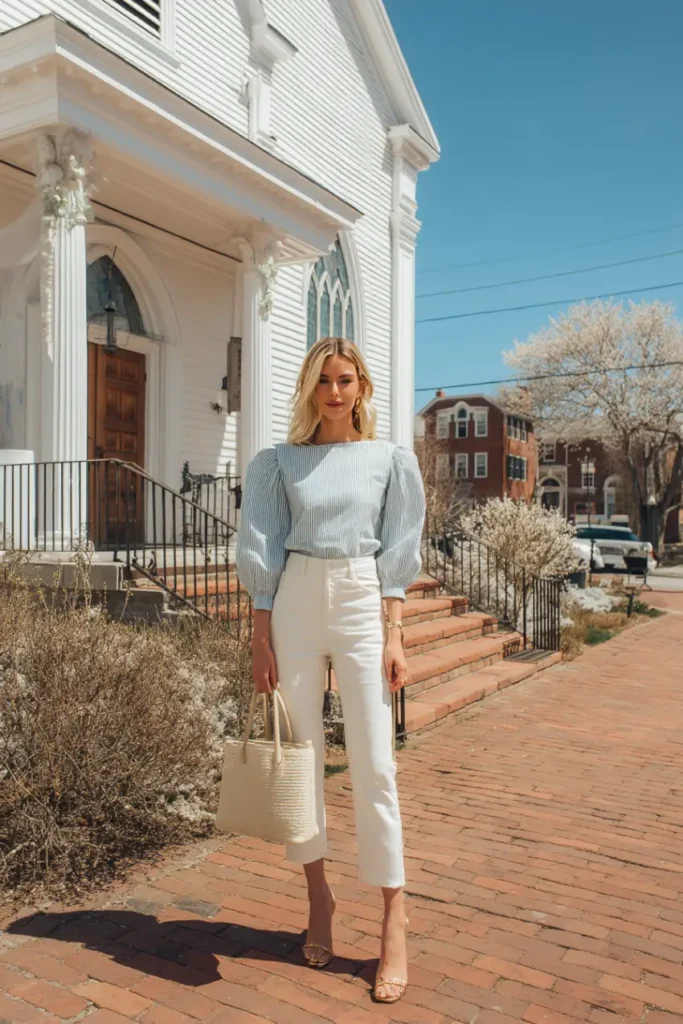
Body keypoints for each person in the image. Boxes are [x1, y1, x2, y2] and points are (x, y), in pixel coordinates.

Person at [235, 337, 425, 1004]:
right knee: (302, 760)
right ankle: (318, 897)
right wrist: (259, 639)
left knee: (374, 763)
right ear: (310, 389)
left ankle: (392, 917)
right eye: (324, 381)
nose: (335, 391)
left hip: (357, 594)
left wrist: (394, 633)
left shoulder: (388, 460)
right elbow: (262, 548)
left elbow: (399, 550)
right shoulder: (277, 463)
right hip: (293, 600)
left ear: (362, 387)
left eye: (346, 380)